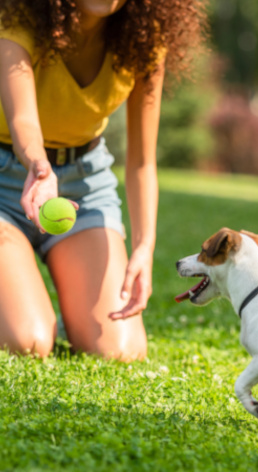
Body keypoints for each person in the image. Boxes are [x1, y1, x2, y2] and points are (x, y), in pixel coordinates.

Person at [0, 0, 205, 361]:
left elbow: (142, 161)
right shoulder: (16, 16)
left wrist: (144, 246)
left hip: (85, 183)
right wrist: (39, 165)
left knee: (120, 350)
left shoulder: (145, 38)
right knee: (26, 341)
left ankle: (64, 314)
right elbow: (24, 124)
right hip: (9, 175)